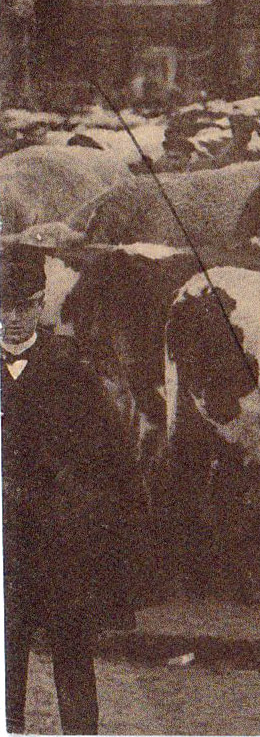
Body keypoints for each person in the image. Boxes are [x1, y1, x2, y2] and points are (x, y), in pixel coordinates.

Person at [3, 247, 139, 735]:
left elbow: (109, 461)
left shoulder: (70, 371)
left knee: (72, 654)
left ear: (42, 305)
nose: (13, 319)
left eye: (24, 306)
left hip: (57, 544)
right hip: (3, 550)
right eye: (2, 307)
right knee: (5, 660)